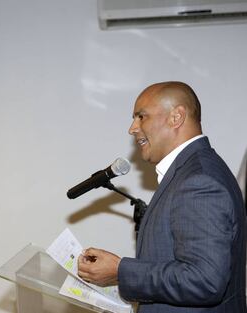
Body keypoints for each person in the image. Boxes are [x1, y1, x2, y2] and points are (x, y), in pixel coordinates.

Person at [78, 81, 246, 312]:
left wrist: (121, 271)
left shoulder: (198, 181)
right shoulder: (194, 171)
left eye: (141, 116)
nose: (132, 128)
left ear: (176, 117)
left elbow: (204, 281)